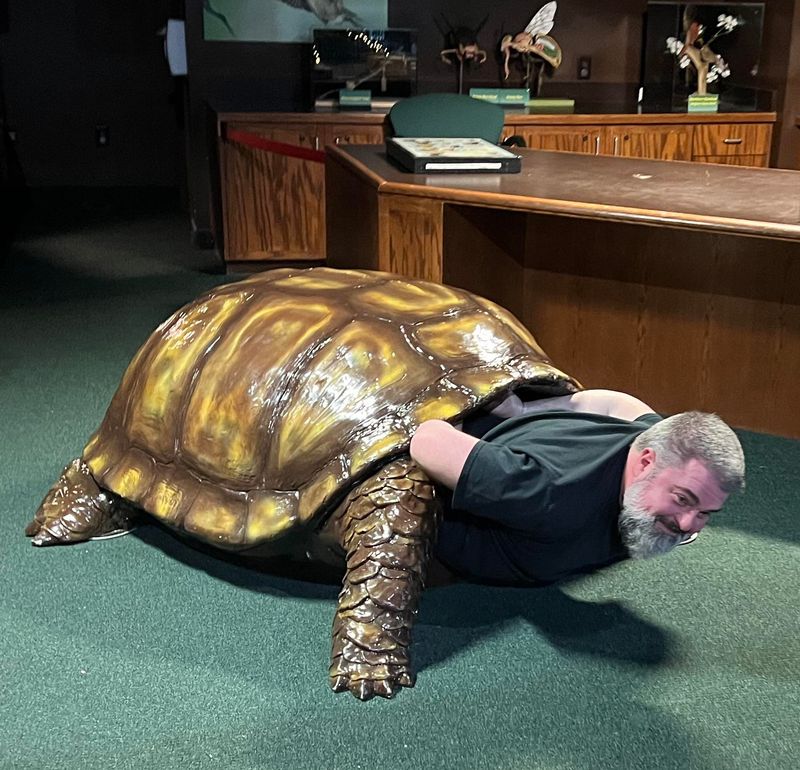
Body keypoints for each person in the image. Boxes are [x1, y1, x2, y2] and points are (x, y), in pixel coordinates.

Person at [409, 389, 745, 585]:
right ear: (646, 462)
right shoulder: (548, 495)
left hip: (531, 435)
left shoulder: (655, 441)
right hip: (478, 485)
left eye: (705, 513)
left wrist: (526, 408)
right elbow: (427, 439)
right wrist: (462, 409)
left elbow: (620, 406)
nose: (687, 525)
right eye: (683, 499)